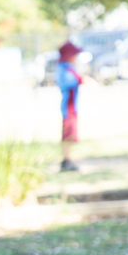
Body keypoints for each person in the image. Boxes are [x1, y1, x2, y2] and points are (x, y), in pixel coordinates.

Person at [56, 41, 83, 172]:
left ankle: (68, 159)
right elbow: (70, 83)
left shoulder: (68, 68)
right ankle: (66, 160)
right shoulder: (65, 69)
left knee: (70, 135)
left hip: (72, 106)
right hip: (68, 107)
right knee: (67, 134)